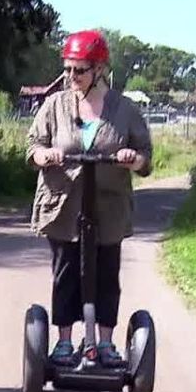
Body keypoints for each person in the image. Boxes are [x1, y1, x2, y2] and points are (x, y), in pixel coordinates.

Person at [25, 29, 153, 367]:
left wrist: (132, 158)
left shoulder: (124, 110)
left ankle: (106, 344)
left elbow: (145, 158)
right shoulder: (55, 106)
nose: (70, 77)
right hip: (63, 204)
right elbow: (33, 146)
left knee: (107, 273)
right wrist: (44, 156)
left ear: (99, 70)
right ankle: (65, 343)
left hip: (108, 206)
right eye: (67, 69)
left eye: (78, 70)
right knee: (66, 271)